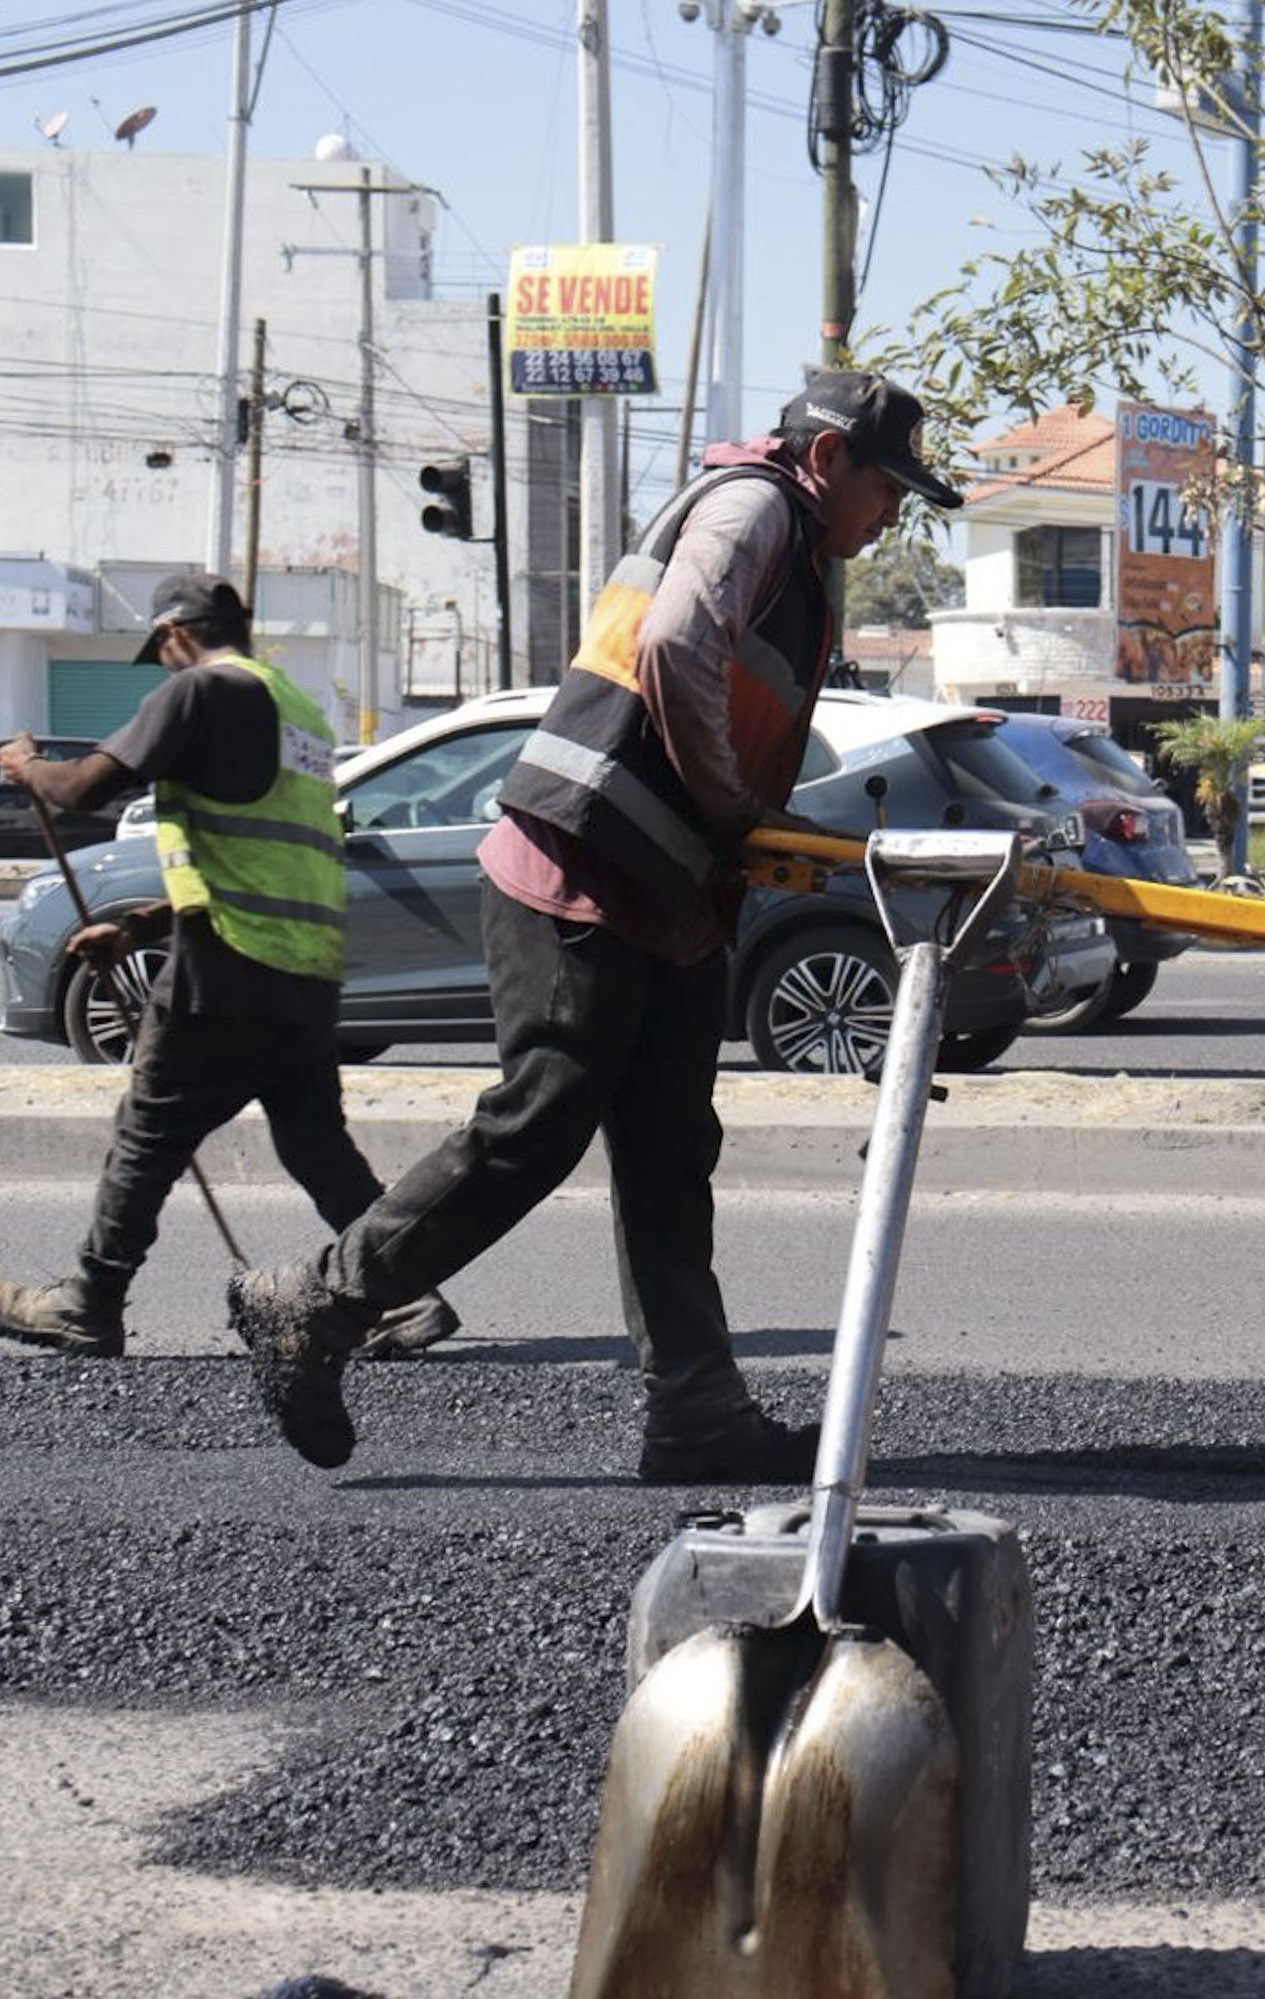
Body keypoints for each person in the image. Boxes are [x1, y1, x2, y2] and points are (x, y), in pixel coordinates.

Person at [224, 371, 967, 1479]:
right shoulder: (756, 508)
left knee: (671, 1152)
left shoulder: (795, 545)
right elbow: (673, 647)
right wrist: (730, 807)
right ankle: (319, 1302)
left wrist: (749, 826)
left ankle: (698, 1414)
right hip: (579, 864)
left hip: (662, 894)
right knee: (543, 1116)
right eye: (887, 486)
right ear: (825, 462)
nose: (894, 512)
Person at [0, 574, 459, 1361]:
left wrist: (27, 764)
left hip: (227, 971)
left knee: (148, 1132)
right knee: (315, 1144)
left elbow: (86, 788)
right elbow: (255, 856)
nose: (165, 669)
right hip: (303, 973)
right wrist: (138, 924)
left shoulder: (199, 692)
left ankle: (89, 1300)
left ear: (176, 634)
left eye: (163, 653)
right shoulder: (300, 714)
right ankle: (400, 1295)